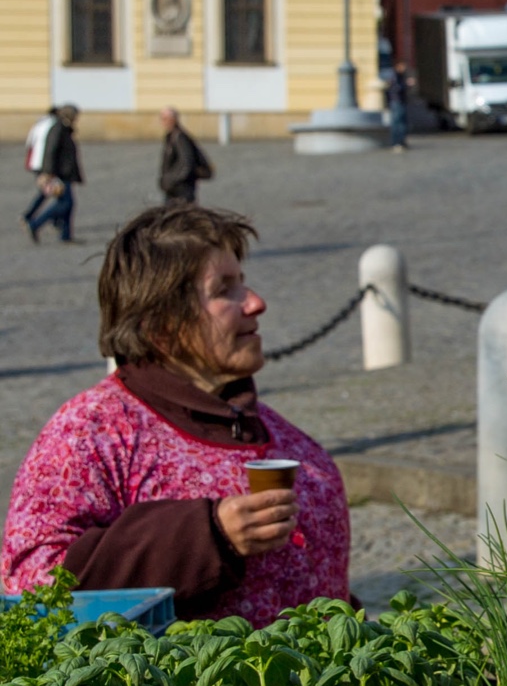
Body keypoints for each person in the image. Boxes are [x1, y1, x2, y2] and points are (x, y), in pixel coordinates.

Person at [3, 204, 349, 623]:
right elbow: (32, 586)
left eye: (244, 283)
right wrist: (206, 535)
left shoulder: (295, 445)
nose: (256, 303)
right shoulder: (93, 431)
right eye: (224, 290)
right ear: (160, 325)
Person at [24, 104, 82, 243]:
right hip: (59, 173)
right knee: (65, 203)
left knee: (68, 203)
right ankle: (35, 223)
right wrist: (48, 172)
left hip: (65, 172)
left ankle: (66, 235)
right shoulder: (58, 128)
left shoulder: (63, 128)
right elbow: (50, 151)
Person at [158, 108, 213, 204]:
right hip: (174, 189)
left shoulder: (180, 138)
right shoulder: (171, 136)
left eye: (166, 119)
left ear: (174, 119)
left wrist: (172, 180)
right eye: (162, 119)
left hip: (182, 189)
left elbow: (187, 162)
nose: (164, 122)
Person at [21, 106, 56, 229]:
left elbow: (29, 142)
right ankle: (31, 218)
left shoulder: (39, 124)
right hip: (45, 164)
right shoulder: (54, 126)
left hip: (36, 162)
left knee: (50, 192)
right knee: (50, 192)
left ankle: (54, 221)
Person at [383, 60, 410, 152]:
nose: (404, 68)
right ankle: (397, 142)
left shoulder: (398, 75)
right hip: (397, 101)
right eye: (403, 66)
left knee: (400, 122)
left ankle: (400, 142)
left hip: (398, 101)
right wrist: (406, 84)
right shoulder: (395, 76)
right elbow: (396, 88)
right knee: (398, 122)